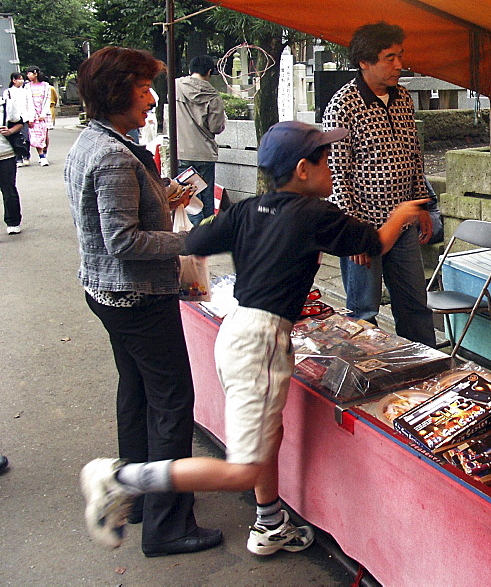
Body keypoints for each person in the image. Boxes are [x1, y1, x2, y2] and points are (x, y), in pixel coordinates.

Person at [78, 120, 427, 556]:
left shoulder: (247, 209)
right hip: (259, 342)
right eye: (327, 160)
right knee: (242, 470)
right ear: (303, 169)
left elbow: (196, 240)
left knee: (269, 435)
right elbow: (374, 243)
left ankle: (270, 523)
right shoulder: (316, 214)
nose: (334, 168)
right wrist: (400, 214)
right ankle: (119, 479)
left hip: (239, 332)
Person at [65, 47, 222, 558]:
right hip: (134, 296)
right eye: (142, 89)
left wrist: (164, 199)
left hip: (108, 292)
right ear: (117, 94)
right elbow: (123, 240)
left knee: (135, 391)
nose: (152, 99)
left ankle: (130, 491)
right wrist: (193, 241)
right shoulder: (111, 153)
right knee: (173, 402)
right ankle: (168, 525)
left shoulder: (97, 142)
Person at [322, 22, 436, 346]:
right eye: (389, 58)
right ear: (365, 62)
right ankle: (368, 382)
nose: (399, 65)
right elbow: (337, 176)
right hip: (364, 231)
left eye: (400, 56)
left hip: (404, 227)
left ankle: (426, 373)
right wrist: (354, 234)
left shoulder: (403, 99)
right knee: (363, 313)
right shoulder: (342, 105)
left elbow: (414, 157)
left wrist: (420, 207)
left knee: (415, 306)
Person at [174, 55, 226, 224]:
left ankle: (192, 236)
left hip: (181, 151)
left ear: (190, 69)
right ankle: (207, 236)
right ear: (209, 72)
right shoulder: (213, 96)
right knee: (206, 197)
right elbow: (216, 128)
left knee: (187, 197)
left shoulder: (176, 86)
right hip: (204, 153)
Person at [0, 84, 25, 234]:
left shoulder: (5, 104)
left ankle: (13, 221)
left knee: (8, 190)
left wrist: (9, 131)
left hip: (5, 154)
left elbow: (20, 123)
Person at [25, 66, 54, 166]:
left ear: (35, 73)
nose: (28, 75)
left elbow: (47, 100)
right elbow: (27, 102)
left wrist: (43, 114)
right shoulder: (27, 86)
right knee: (36, 135)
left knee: (44, 135)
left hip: (44, 114)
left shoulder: (46, 86)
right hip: (33, 115)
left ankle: (44, 153)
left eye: (30, 73)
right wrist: (30, 116)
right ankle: (41, 156)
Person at [4, 72, 33, 166]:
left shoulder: (25, 91)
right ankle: (18, 158)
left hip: (24, 118)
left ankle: (26, 156)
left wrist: (31, 117)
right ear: (14, 80)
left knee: (25, 138)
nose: (21, 81)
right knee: (15, 139)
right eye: (19, 79)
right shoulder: (8, 92)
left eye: (22, 79)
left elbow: (30, 105)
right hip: (12, 120)